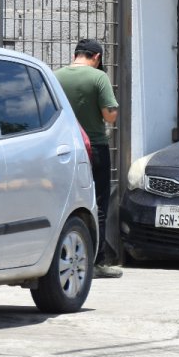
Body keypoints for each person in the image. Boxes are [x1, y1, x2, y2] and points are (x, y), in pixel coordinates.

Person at [55, 39, 121, 279]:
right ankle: (99, 262)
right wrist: (113, 107)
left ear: (75, 55)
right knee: (99, 203)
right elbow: (110, 115)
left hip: (65, 148)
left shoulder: (56, 76)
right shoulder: (98, 77)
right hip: (94, 148)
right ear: (96, 57)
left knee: (66, 203)